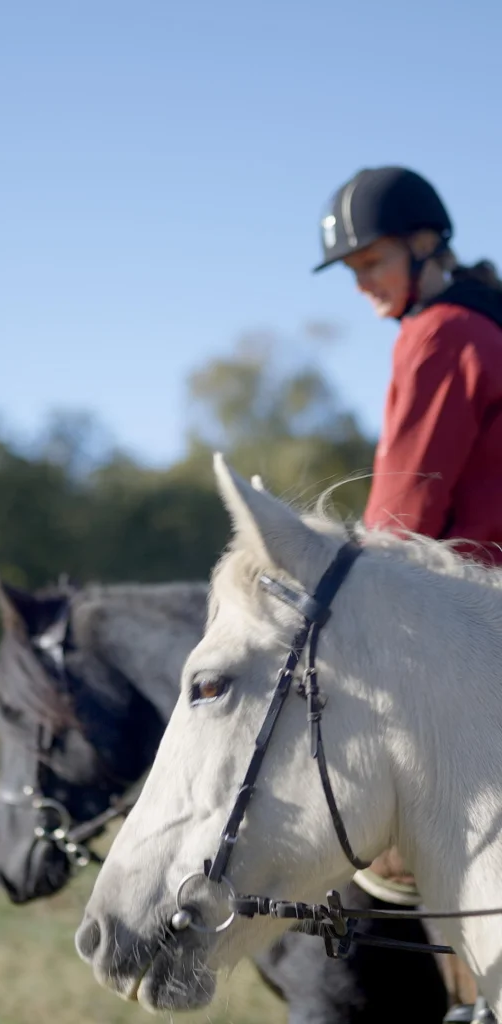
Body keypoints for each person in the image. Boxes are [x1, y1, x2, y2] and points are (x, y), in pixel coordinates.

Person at [315, 165, 502, 1022]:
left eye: (370, 264)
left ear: (425, 246)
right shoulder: (486, 320)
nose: (363, 288)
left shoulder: (441, 334)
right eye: (351, 273)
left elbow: (403, 513)